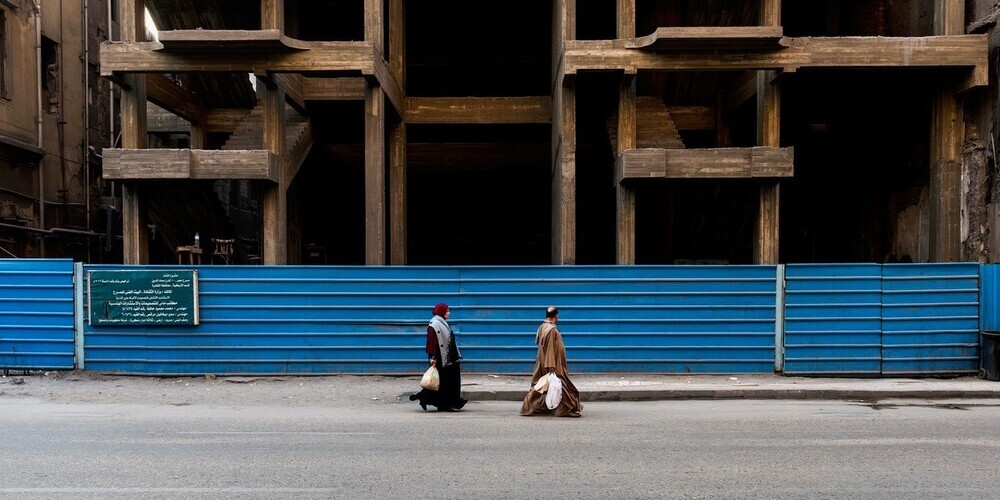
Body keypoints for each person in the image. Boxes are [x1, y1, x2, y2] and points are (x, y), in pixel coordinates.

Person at [520, 306, 583, 417]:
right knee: (559, 386)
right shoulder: (551, 330)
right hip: (553, 364)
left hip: (545, 363)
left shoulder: (543, 327)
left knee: (543, 387)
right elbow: (549, 349)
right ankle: (565, 410)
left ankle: (534, 407)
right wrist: (551, 367)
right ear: (556, 316)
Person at [410, 303, 467, 412]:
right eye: (447, 311)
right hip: (441, 359)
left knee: (445, 382)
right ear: (441, 311)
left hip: (448, 358)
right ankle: (442, 403)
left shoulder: (441, 322)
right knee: (443, 383)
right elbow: (431, 342)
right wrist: (433, 358)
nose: (449, 313)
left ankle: (442, 403)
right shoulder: (434, 324)